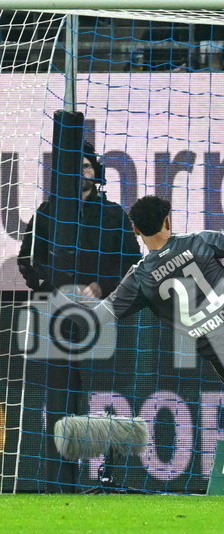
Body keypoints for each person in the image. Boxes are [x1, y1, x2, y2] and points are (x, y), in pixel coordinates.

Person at [58, 195, 224, 507]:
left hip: (217, 346)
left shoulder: (140, 277)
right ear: (168, 221)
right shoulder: (199, 241)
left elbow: (100, 317)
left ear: (136, 230)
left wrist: (78, 304)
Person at [18, 140, 142, 492]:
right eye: (74, 167)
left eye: (86, 166)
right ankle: (59, 480)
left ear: (96, 172)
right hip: (56, 319)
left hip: (103, 318)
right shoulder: (46, 213)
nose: (80, 172)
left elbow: (132, 261)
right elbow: (27, 260)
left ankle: (111, 475)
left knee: (108, 396)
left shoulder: (115, 214)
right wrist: (49, 288)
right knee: (60, 398)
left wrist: (103, 286)